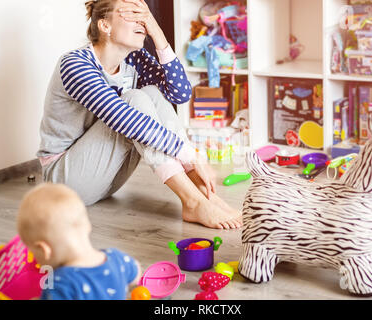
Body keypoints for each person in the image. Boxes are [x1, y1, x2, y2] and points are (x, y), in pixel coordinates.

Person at [36, 0, 242, 230]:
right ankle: (192, 201)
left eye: (143, 15)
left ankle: (203, 194)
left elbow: (180, 93)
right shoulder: (76, 64)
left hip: (104, 179)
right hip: (64, 183)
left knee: (152, 93)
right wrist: (190, 154)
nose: (141, 20)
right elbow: (124, 119)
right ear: (105, 25)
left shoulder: (134, 59)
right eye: (132, 13)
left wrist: (157, 31)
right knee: (133, 101)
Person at [17, 183, 141, 300]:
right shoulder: (117, 259)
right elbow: (136, 274)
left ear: (45, 250)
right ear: (88, 226)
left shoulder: (59, 285)